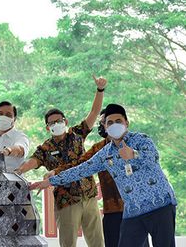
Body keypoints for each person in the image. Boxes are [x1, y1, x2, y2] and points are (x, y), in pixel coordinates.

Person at [31, 103, 177, 247]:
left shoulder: (141, 139)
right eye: (110, 123)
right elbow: (80, 170)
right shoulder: (105, 154)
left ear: (126, 123)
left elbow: (153, 157)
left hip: (160, 205)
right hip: (133, 210)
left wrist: (133, 154)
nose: (114, 125)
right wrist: (51, 181)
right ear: (105, 127)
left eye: (118, 121)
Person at [14, 75, 107, 247]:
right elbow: (33, 161)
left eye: (59, 121)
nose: (56, 124)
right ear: (47, 128)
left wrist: (100, 90)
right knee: (68, 243)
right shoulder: (46, 148)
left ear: (66, 121)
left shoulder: (77, 134)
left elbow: (94, 113)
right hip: (67, 201)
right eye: (52, 123)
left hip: (89, 196)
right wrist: (18, 172)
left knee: (97, 243)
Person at [45, 109, 148, 247]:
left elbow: (150, 167)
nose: (109, 126)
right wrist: (56, 172)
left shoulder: (137, 142)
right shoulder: (99, 149)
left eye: (115, 122)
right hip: (111, 211)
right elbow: (79, 165)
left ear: (125, 123)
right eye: (105, 123)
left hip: (136, 208)